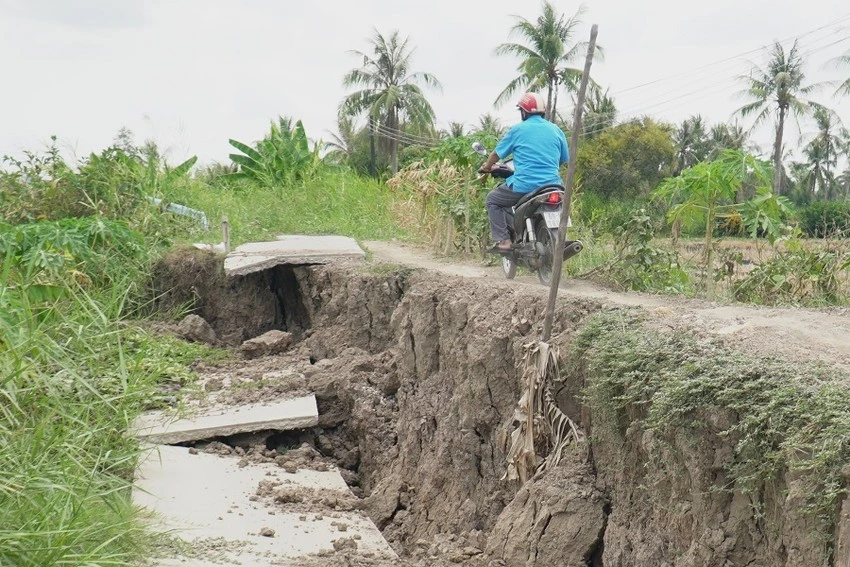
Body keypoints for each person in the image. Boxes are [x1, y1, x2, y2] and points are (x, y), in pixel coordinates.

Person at [479, 92, 569, 251]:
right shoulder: (556, 130)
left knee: (493, 200)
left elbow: (496, 154)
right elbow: (563, 159)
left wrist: (487, 168)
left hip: (524, 186)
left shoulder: (517, 130)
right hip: (554, 185)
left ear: (524, 112)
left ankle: (504, 241)